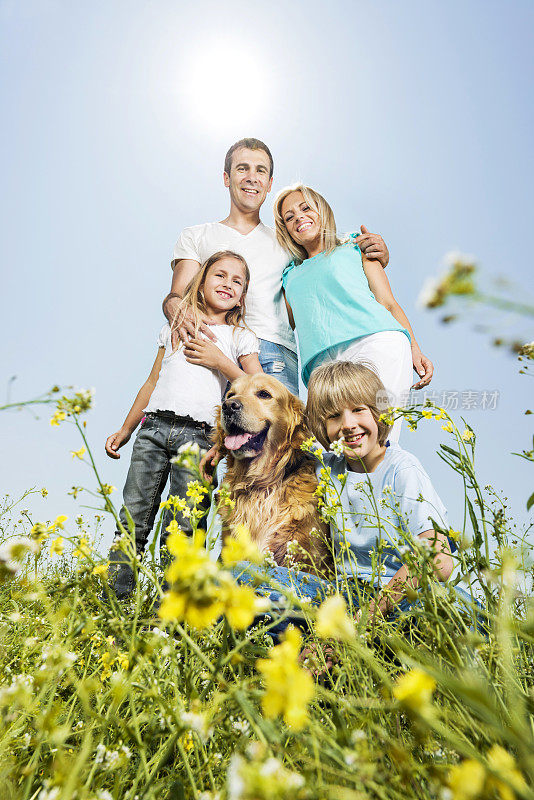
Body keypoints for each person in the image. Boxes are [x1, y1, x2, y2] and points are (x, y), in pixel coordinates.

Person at [163, 138, 390, 396]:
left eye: (260, 170)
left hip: (274, 353)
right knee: (208, 433)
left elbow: (328, 259)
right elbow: (177, 294)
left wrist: (373, 251)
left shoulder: (287, 240)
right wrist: (173, 307)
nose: (252, 177)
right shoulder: (196, 235)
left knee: (281, 435)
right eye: (242, 168)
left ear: (270, 183)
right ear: (226, 178)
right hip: (214, 343)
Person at [104, 251, 262, 599]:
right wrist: (126, 429)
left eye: (238, 282)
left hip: (201, 437)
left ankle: (171, 616)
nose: (228, 284)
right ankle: (114, 608)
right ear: (201, 282)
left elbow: (259, 388)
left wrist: (221, 361)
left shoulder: (239, 338)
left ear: (243, 296)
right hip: (153, 428)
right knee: (132, 519)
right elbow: (151, 382)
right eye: (220, 275)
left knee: (185, 527)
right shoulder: (174, 326)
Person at [274, 184, 433, 440]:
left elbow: (388, 302)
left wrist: (414, 347)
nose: (299, 217)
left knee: (381, 434)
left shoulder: (355, 247)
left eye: (305, 208)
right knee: (334, 446)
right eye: (289, 217)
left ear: (321, 210)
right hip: (321, 365)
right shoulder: (289, 275)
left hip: (375, 342)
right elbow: (286, 325)